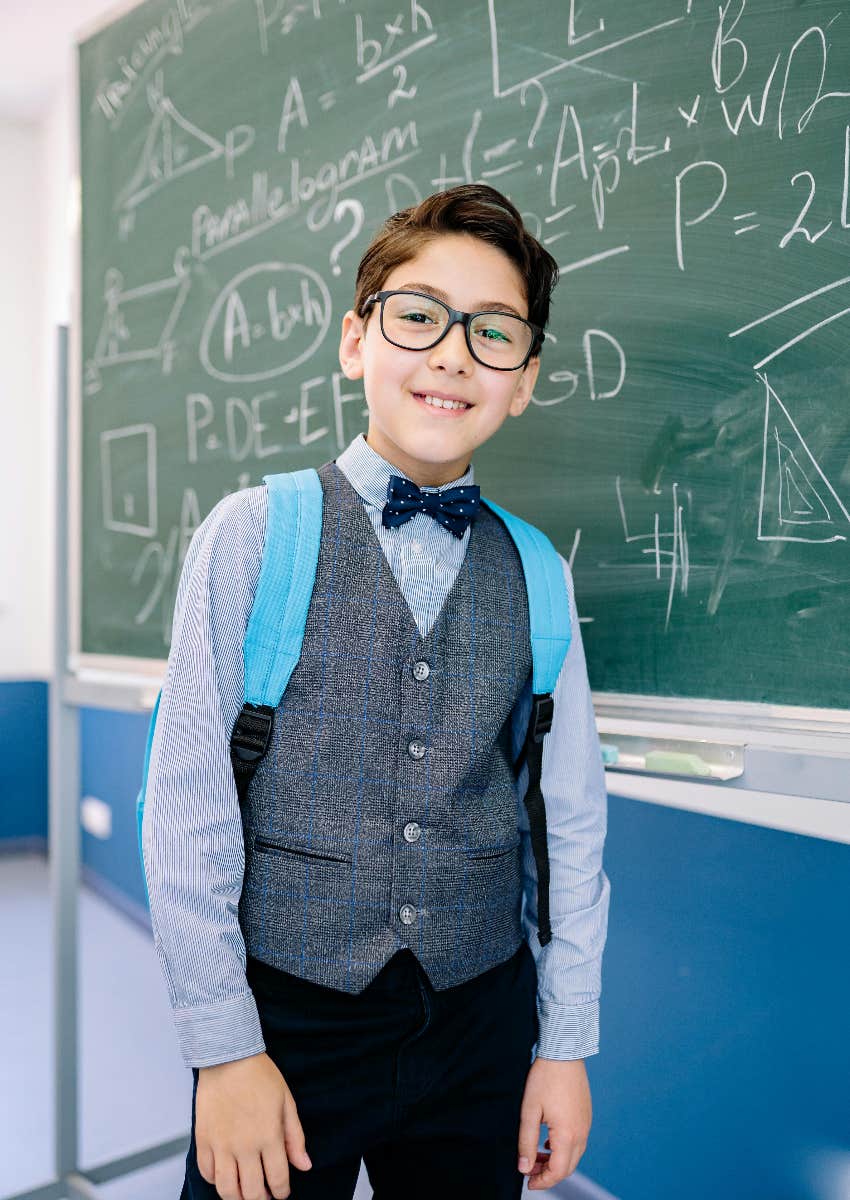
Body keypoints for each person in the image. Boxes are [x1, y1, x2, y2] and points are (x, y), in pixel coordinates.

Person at [142, 182, 610, 1200]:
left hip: (482, 1015)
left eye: (492, 333)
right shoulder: (254, 533)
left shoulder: (537, 572)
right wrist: (223, 1052)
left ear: (523, 378)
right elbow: (187, 815)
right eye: (417, 316)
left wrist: (563, 1044)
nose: (450, 354)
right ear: (357, 340)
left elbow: (566, 823)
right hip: (287, 1018)